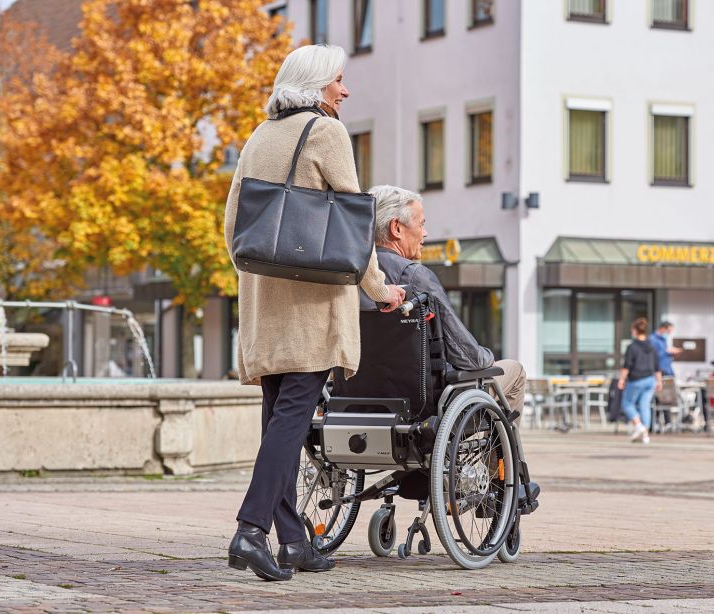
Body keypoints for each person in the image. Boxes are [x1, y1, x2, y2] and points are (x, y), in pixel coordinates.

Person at [222, 45, 406, 582]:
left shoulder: (259, 135)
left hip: (264, 301)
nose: (345, 91)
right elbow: (353, 223)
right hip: (310, 305)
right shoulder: (326, 133)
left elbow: (233, 227)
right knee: (292, 420)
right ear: (317, 84)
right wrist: (381, 289)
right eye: (339, 81)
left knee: (278, 421)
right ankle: (250, 531)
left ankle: (294, 542)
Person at [360, 185, 526, 415]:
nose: (425, 233)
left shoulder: (350, 276)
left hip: (354, 399)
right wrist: (487, 356)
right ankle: (499, 451)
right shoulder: (415, 276)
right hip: (426, 406)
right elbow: (467, 357)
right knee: (514, 371)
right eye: (421, 224)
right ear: (396, 228)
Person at [617, 318, 662, 444]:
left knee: (627, 403)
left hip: (636, 379)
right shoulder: (652, 347)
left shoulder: (632, 347)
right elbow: (657, 366)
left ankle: (639, 426)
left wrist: (621, 379)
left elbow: (627, 365)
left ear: (635, 330)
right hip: (650, 380)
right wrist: (659, 381)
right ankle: (645, 434)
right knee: (645, 406)